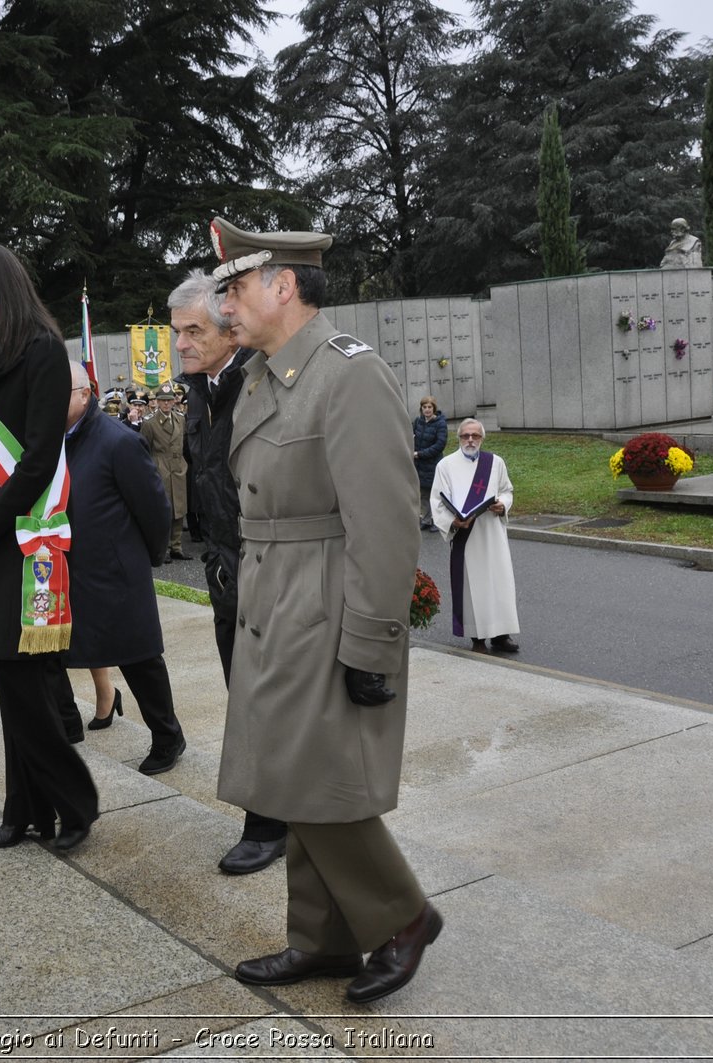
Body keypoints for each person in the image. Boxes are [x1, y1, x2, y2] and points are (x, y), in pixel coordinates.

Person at [210, 216, 441, 1005]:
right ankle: (325, 937)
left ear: (283, 286)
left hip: (324, 599)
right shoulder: (266, 374)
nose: (225, 305)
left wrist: (373, 642)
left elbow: (385, 518)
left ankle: (402, 916)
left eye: (235, 287)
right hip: (274, 597)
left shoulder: (348, 374)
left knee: (314, 777)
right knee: (294, 772)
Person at [0, 243, 99, 855]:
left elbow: (39, 456)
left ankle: (75, 802)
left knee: (24, 683)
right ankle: (25, 809)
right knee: (7, 679)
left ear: (1, 294)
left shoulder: (43, 351)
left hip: (24, 534)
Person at [169, 268, 289, 876]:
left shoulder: (259, 383)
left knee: (268, 702)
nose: (181, 344)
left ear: (228, 332)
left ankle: (269, 824)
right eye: (176, 332)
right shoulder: (200, 389)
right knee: (244, 698)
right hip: (226, 571)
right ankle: (273, 813)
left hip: (272, 569)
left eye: (193, 331)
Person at [53, 362, 187, 775]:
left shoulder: (118, 441)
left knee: (139, 657)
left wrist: (144, 556)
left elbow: (154, 507)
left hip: (116, 568)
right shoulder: (53, 440)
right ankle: (70, 723)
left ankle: (167, 736)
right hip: (68, 567)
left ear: (84, 393)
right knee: (53, 650)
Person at [430, 418, 520, 655]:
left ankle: (502, 635)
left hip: (492, 533)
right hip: (466, 535)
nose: (470, 440)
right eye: (465, 436)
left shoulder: (495, 462)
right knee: (473, 586)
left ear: (482, 438)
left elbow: (506, 490)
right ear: (458, 438)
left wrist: (503, 505)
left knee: (499, 582)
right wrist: (453, 521)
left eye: (475, 436)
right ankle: (477, 636)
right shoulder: (446, 466)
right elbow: (437, 502)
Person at [141, 381, 189, 560]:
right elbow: (144, 448)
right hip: (160, 467)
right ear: (158, 402)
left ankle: (177, 546)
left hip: (178, 467)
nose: (167, 403)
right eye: (163, 400)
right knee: (164, 508)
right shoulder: (150, 423)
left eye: (169, 400)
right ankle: (165, 548)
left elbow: (183, 443)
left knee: (180, 507)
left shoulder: (180, 419)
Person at [413, 396, 448, 533]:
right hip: (419, 464)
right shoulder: (418, 421)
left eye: (429, 407)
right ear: (421, 409)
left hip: (433, 464)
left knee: (435, 494)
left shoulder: (440, 423)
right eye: (424, 407)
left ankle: (436, 520)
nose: (427, 410)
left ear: (434, 408)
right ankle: (426, 519)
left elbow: (440, 445)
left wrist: (420, 454)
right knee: (423, 493)